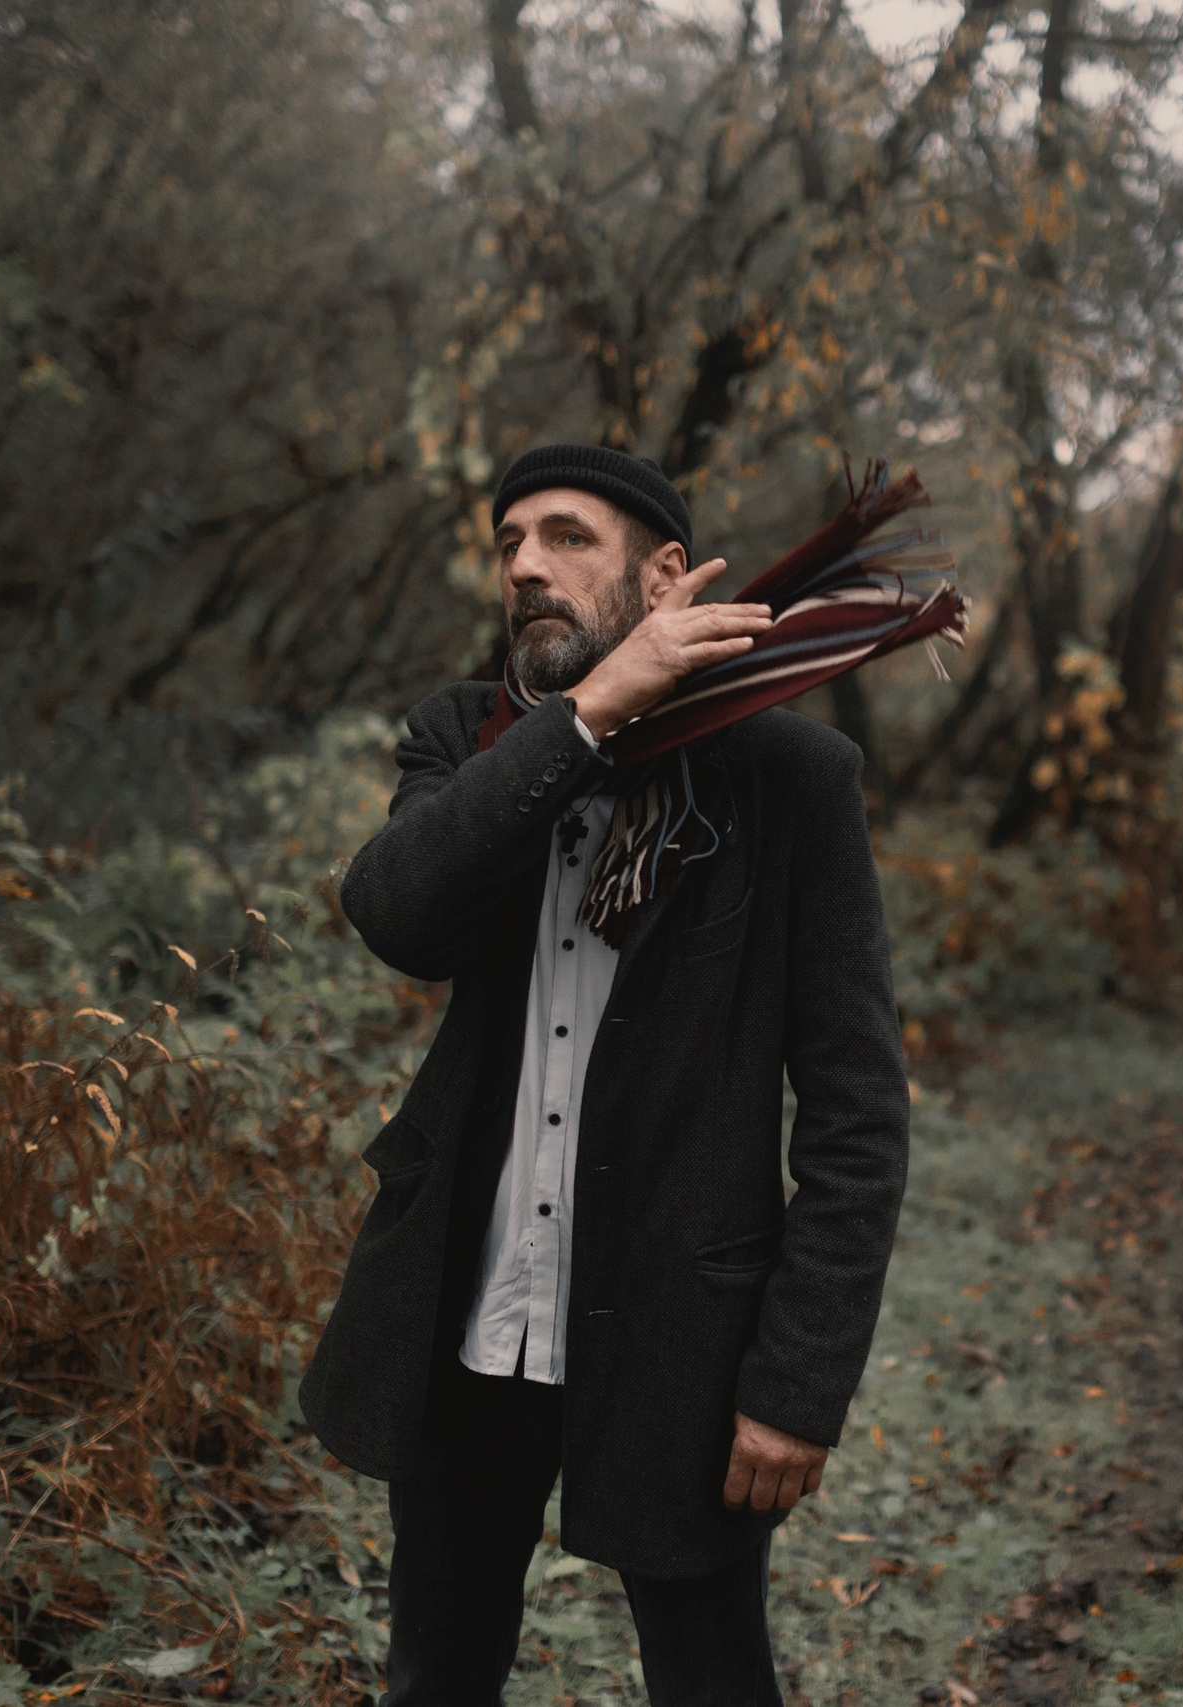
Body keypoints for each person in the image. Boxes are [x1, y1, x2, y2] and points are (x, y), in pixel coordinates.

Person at [298, 444, 912, 1706]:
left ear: (666, 575)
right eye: (509, 542)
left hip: (685, 1338)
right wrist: (583, 721)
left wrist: (798, 1385)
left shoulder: (788, 780)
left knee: (711, 1683)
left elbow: (856, 1115)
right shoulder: (467, 739)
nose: (526, 564)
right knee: (434, 1679)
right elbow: (397, 914)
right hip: (469, 1313)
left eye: (567, 536)